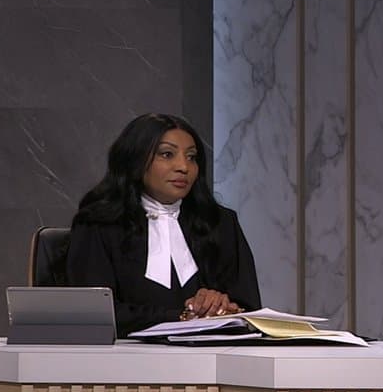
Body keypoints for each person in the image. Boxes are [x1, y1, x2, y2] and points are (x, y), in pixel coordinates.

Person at [66, 113, 261, 337]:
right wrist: (182, 317)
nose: (183, 167)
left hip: (211, 353)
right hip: (124, 355)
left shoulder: (220, 223)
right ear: (136, 160)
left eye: (192, 157)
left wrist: (222, 307)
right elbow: (95, 315)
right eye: (167, 154)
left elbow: (250, 311)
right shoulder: (98, 225)